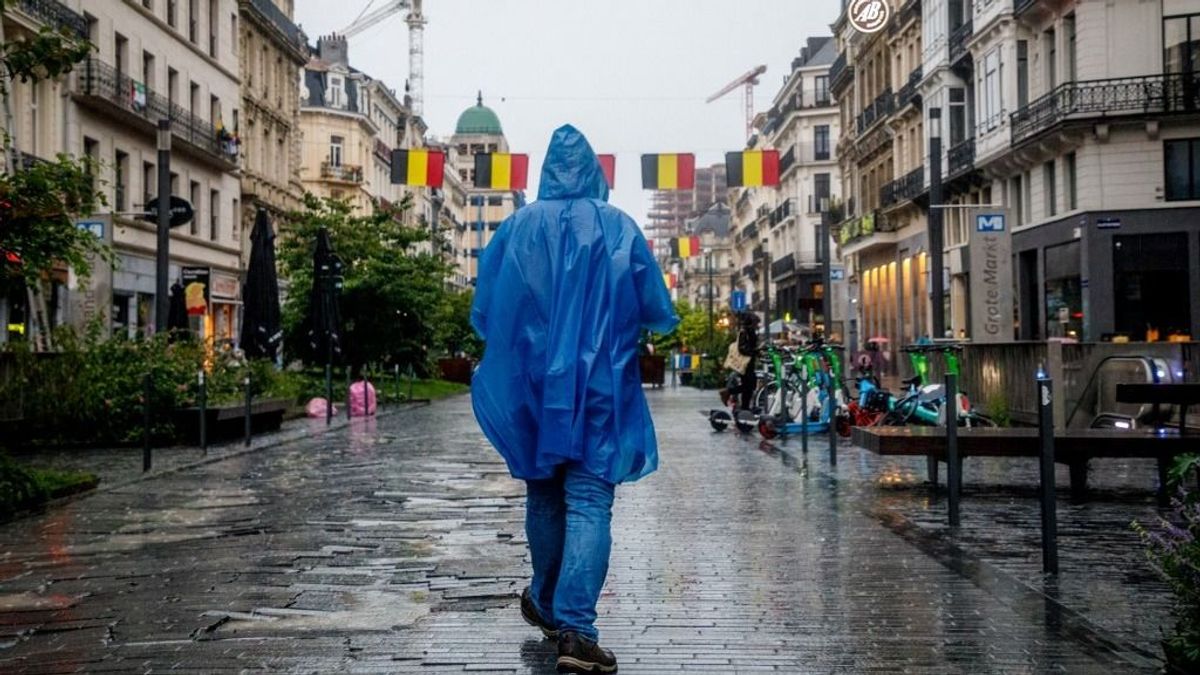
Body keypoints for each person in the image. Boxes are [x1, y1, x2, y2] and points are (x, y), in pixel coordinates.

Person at [471, 125, 677, 673]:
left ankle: (545, 599)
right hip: (600, 389)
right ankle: (576, 631)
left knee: (543, 496)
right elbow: (657, 307)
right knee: (589, 499)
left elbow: (486, 310)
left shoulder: (516, 228)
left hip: (534, 391)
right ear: (594, 172)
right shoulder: (619, 227)